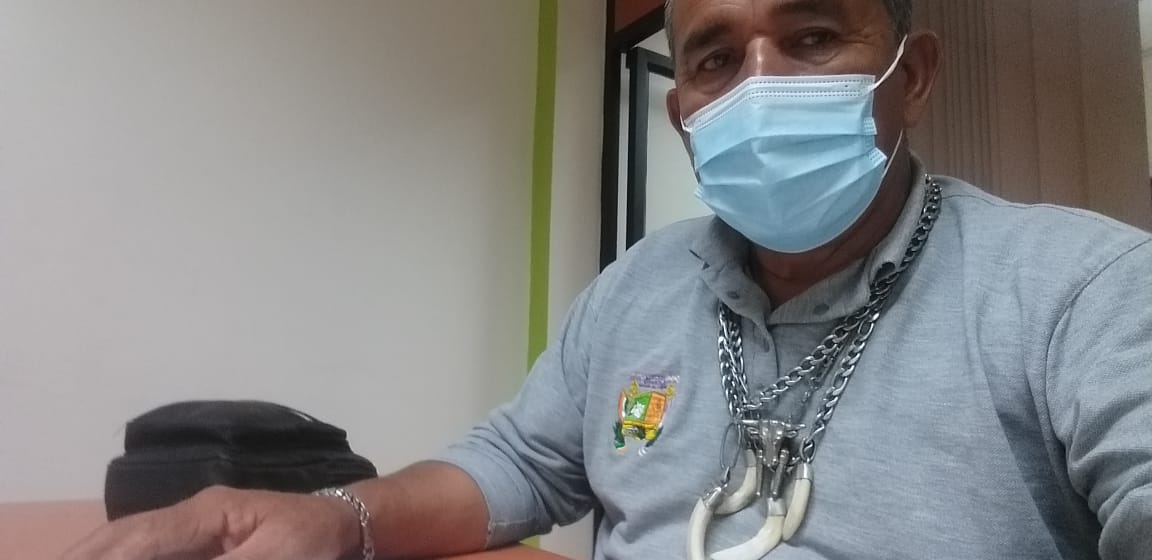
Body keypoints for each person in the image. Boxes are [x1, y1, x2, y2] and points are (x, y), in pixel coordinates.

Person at [63, 0, 1152, 559]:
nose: (760, 84)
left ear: (913, 75)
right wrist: (334, 516)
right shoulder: (643, 285)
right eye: (716, 57)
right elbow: (521, 462)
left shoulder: (1081, 286)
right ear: (683, 112)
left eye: (814, 35)